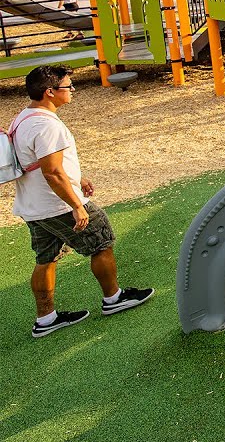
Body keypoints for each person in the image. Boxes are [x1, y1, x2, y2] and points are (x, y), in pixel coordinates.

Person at [11, 65, 154, 338]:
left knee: (45, 258)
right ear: (50, 92)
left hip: (34, 207)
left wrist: (79, 178)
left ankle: (46, 319)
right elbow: (51, 172)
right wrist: (77, 204)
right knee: (101, 242)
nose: (73, 91)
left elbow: (40, 162)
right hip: (58, 205)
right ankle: (114, 298)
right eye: (68, 87)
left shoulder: (24, 118)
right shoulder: (47, 125)